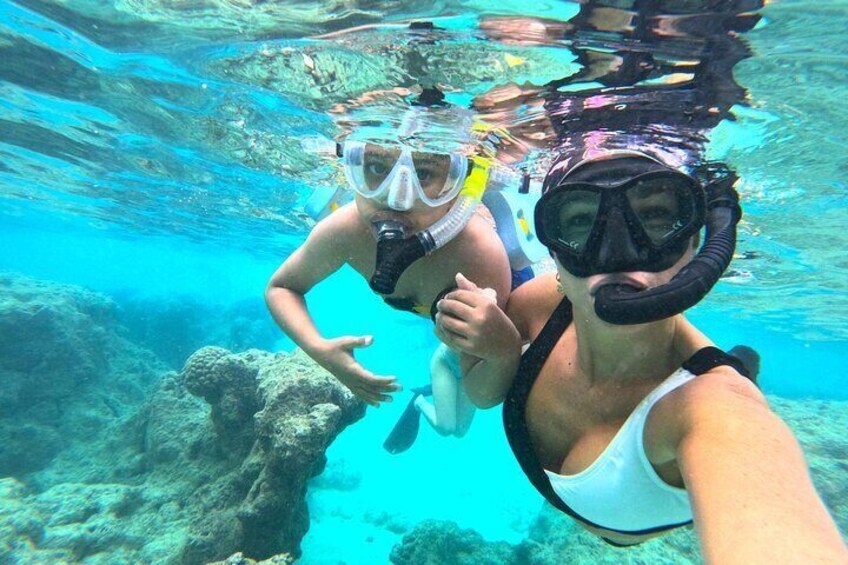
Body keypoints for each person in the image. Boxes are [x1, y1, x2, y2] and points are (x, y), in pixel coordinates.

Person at [433, 151, 847, 560]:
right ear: (555, 252)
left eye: (653, 217)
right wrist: (500, 353)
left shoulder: (715, 412)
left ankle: (741, 366)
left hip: (630, 522)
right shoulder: (541, 304)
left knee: (735, 376)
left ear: (694, 246)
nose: (616, 254)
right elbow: (483, 393)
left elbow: (759, 484)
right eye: (580, 220)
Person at [265, 119, 520, 453]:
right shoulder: (347, 231)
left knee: (455, 428)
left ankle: (424, 395)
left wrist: (503, 351)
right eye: (375, 167)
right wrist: (319, 350)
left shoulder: (479, 255)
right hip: (450, 345)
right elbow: (282, 287)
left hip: (454, 351)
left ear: (459, 184)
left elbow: (482, 393)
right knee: (452, 427)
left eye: (425, 173)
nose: (397, 197)